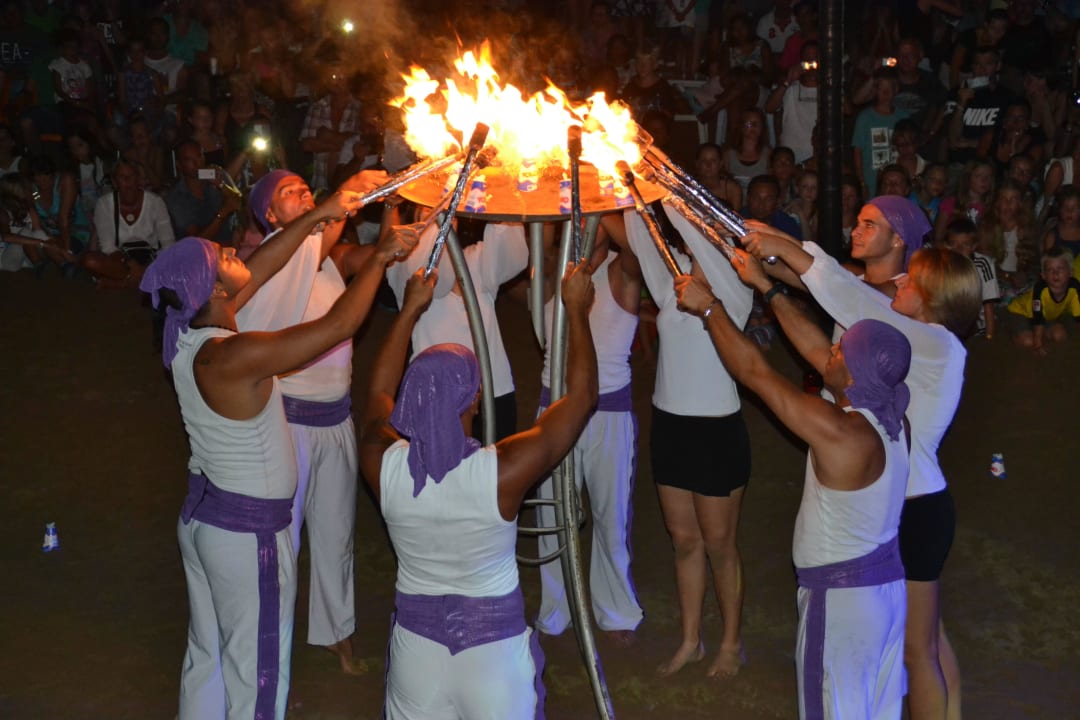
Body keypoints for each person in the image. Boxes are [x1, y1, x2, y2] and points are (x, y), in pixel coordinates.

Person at [137, 186, 369, 720]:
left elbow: (264, 263)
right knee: (258, 673)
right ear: (213, 286)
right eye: (222, 257)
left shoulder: (191, 334)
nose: (235, 251)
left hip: (206, 521)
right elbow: (337, 327)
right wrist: (378, 259)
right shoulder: (234, 355)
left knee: (209, 654)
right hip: (246, 537)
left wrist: (321, 214)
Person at [742, 222, 982, 720]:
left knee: (920, 651)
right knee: (923, 643)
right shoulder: (922, 343)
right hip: (902, 505)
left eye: (910, 281)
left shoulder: (935, 344)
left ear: (935, 298)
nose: (898, 284)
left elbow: (851, 301)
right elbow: (821, 351)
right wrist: (768, 282)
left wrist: (789, 248)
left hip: (915, 511)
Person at [358, 262, 599, 719]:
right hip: (493, 658)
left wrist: (409, 312)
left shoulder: (382, 466)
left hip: (417, 655)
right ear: (473, 398)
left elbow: (376, 399)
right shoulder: (501, 473)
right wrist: (577, 312)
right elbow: (582, 398)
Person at [674, 261, 912, 720]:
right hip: (884, 596)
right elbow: (820, 353)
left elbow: (755, 374)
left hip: (841, 605)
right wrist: (766, 287)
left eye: (843, 349)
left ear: (858, 371)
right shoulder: (891, 415)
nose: (833, 349)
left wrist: (710, 311)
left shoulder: (842, 432)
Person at [237, 167, 399, 674]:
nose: (303, 193)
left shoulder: (327, 257)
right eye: (289, 193)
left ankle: (335, 632)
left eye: (305, 187)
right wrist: (350, 189)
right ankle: (271, 638)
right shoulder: (265, 268)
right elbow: (327, 223)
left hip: (337, 420)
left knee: (335, 535)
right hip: (287, 423)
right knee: (282, 541)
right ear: (269, 215)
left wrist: (395, 202)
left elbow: (375, 255)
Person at [623, 204, 754, 678]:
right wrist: (632, 187)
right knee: (684, 540)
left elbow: (700, 241)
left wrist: (674, 199)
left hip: (717, 430)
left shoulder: (734, 290)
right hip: (671, 426)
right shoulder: (673, 283)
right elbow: (640, 234)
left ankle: (731, 643)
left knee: (721, 542)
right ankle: (691, 641)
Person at [535, 216, 644, 645]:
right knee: (550, 513)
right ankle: (555, 612)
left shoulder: (621, 271)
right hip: (553, 407)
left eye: (591, 219)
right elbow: (538, 236)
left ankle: (615, 612)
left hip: (608, 411)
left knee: (609, 515)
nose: (583, 224)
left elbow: (637, 253)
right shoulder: (552, 272)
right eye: (576, 218)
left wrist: (607, 205)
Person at [385, 216, 528, 442]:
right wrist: (437, 217)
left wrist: (498, 205)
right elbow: (432, 271)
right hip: (433, 397)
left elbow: (512, 255)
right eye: (428, 209)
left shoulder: (475, 259)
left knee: (492, 474)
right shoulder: (401, 267)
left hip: (492, 392)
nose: (440, 214)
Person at [84, 159, 175, 287]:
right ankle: (145, 280)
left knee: (176, 261)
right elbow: (108, 247)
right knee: (90, 261)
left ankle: (122, 283)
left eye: (131, 176)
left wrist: (146, 267)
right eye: (122, 177)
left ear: (138, 179)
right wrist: (131, 264)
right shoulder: (104, 204)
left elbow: (168, 243)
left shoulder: (156, 202)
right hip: (121, 259)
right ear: (115, 183)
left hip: (152, 259)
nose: (127, 181)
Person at [1006, 247, 1080, 354]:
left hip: (1046, 316)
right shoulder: (1040, 290)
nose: (1055, 273)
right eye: (1050, 270)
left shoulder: (1075, 286)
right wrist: (1038, 343)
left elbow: (1078, 314)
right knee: (1028, 341)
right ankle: (1015, 329)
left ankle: (1036, 331)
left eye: (1061, 268)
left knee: (1060, 335)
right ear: (1043, 275)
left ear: (1071, 272)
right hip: (1020, 312)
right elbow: (1038, 318)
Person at [166, 141, 239, 247]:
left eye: (199, 156)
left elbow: (239, 202)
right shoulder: (176, 197)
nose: (196, 163)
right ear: (179, 165)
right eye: (189, 160)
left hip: (230, 246)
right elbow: (197, 241)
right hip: (200, 255)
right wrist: (222, 213)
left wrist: (221, 185)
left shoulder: (217, 176)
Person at [941, 217, 998, 340]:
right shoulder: (941, 266)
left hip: (978, 325)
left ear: (974, 246)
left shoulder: (983, 264)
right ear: (946, 246)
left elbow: (989, 304)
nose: (958, 250)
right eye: (953, 244)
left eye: (965, 244)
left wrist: (990, 337)